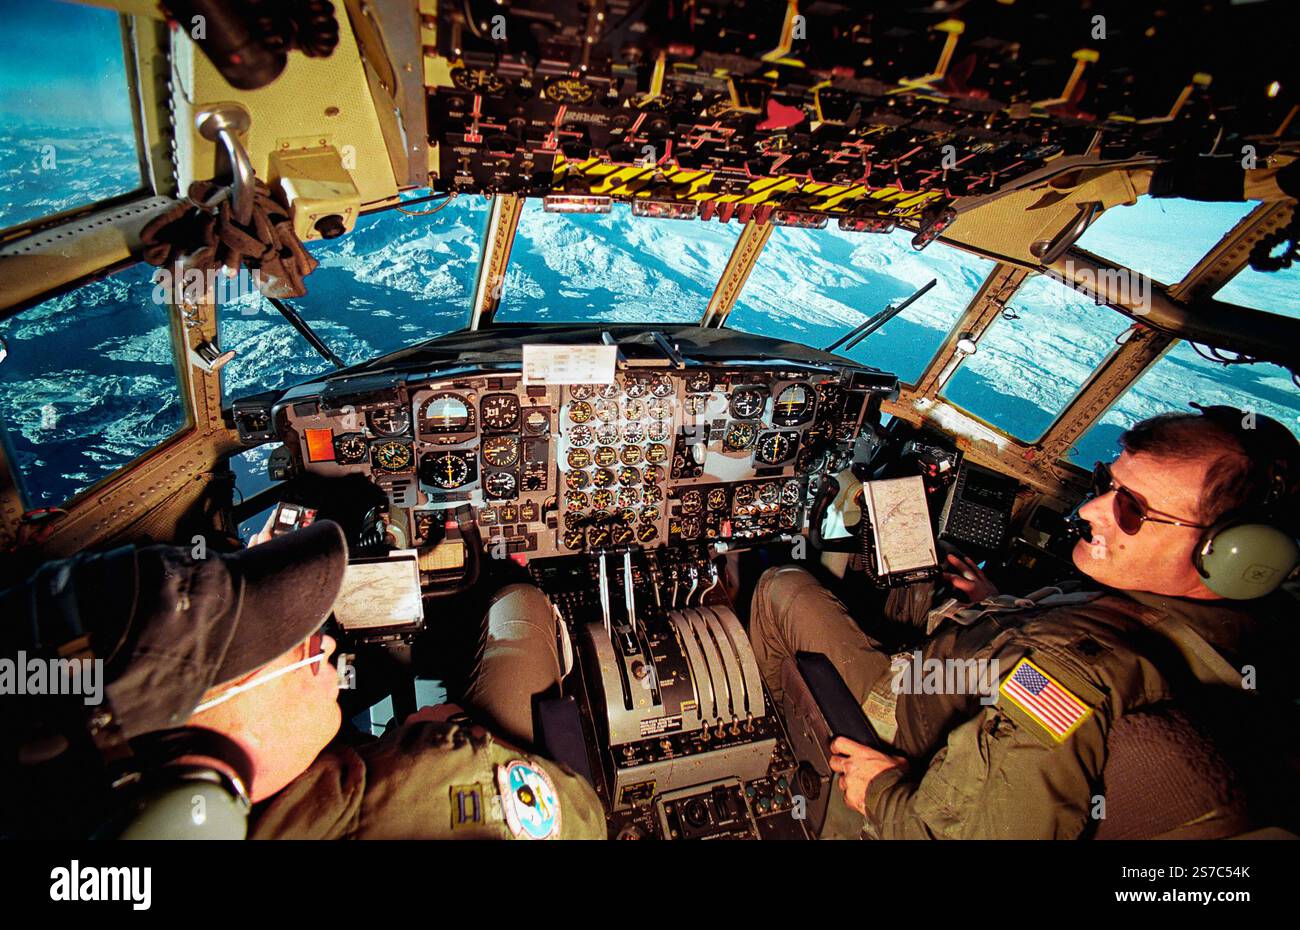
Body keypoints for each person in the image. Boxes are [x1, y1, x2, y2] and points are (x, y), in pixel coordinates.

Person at [749, 406, 1300, 839]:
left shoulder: (1064, 677)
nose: (1090, 510)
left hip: (903, 717)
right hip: (965, 658)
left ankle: (775, 738)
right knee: (909, 564)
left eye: (1131, 507)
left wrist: (883, 790)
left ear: (1226, 554)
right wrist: (999, 602)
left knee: (781, 586)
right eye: (1107, 482)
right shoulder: (1226, 620)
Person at [1, 520, 606, 839]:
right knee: (518, 599)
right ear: (193, 790)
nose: (319, 638)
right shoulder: (415, 795)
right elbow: (583, 817)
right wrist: (438, 738)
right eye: (271, 635)